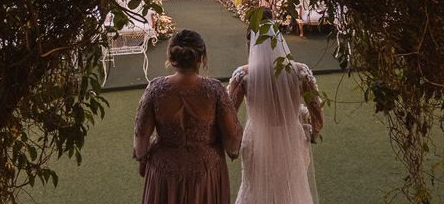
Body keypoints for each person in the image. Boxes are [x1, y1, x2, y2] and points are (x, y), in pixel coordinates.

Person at [134, 29, 243, 204]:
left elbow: (141, 135)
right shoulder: (215, 90)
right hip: (206, 174)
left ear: (172, 57)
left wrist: (142, 159)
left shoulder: (155, 88)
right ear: (201, 57)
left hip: (165, 173)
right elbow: (232, 137)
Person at [228, 11, 323, 204]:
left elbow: (229, 115)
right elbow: (317, 112)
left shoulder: (244, 76)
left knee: (255, 190)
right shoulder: (300, 72)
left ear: (251, 42)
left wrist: (233, 143)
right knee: (290, 191)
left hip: (257, 140)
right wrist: (313, 133)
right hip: (291, 139)